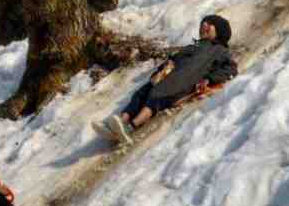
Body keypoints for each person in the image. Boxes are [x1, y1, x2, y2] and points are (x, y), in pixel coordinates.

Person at [96, 14, 238, 143]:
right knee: (141, 94)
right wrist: (162, 69)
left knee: (155, 97)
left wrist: (209, 79)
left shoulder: (219, 50)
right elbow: (174, 59)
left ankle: (129, 129)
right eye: (203, 23)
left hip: (184, 81)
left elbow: (231, 68)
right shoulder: (193, 46)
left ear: (219, 32)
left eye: (210, 24)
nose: (204, 26)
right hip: (169, 77)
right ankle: (118, 124)